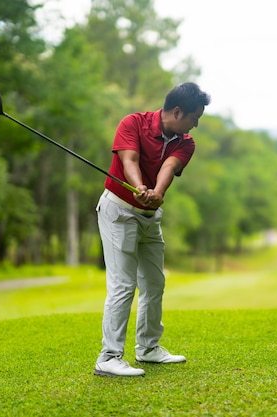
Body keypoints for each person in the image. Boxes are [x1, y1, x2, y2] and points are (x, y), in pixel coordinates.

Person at [94, 82, 211, 377]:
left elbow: (167, 169)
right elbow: (128, 159)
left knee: (154, 283)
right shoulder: (133, 123)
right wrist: (139, 187)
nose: (195, 125)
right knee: (123, 284)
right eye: (194, 117)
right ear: (177, 111)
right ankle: (108, 357)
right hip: (118, 211)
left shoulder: (185, 141)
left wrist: (156, 193)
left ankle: (147, 348)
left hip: (149, 216)